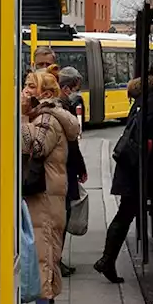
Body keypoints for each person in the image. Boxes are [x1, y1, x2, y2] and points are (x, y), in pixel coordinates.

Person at [20, 69, 80, 304]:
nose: (24, 91)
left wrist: (21, 116)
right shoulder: (47, 115)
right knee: (46, 251)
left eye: (29, 87)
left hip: (44, 196)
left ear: (44, 94)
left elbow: (34, 149)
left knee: (43, 253)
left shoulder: (45, 117)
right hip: (49, 194)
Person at [96, 76, 147, 283]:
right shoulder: (147, 105)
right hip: (133, 172)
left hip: (128, 170)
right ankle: (106, 260)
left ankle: (107, 260)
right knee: (124, 215)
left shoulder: (138, 105)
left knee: (124, 214)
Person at [55, 66, 87, 277]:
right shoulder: (63, 110)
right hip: (61, 173)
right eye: (74, 89)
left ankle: (56, 260)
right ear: (66, 89)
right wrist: (81, 168)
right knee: (60, 218)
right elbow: (71, 144)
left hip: (59, 171)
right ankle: (56, 261)